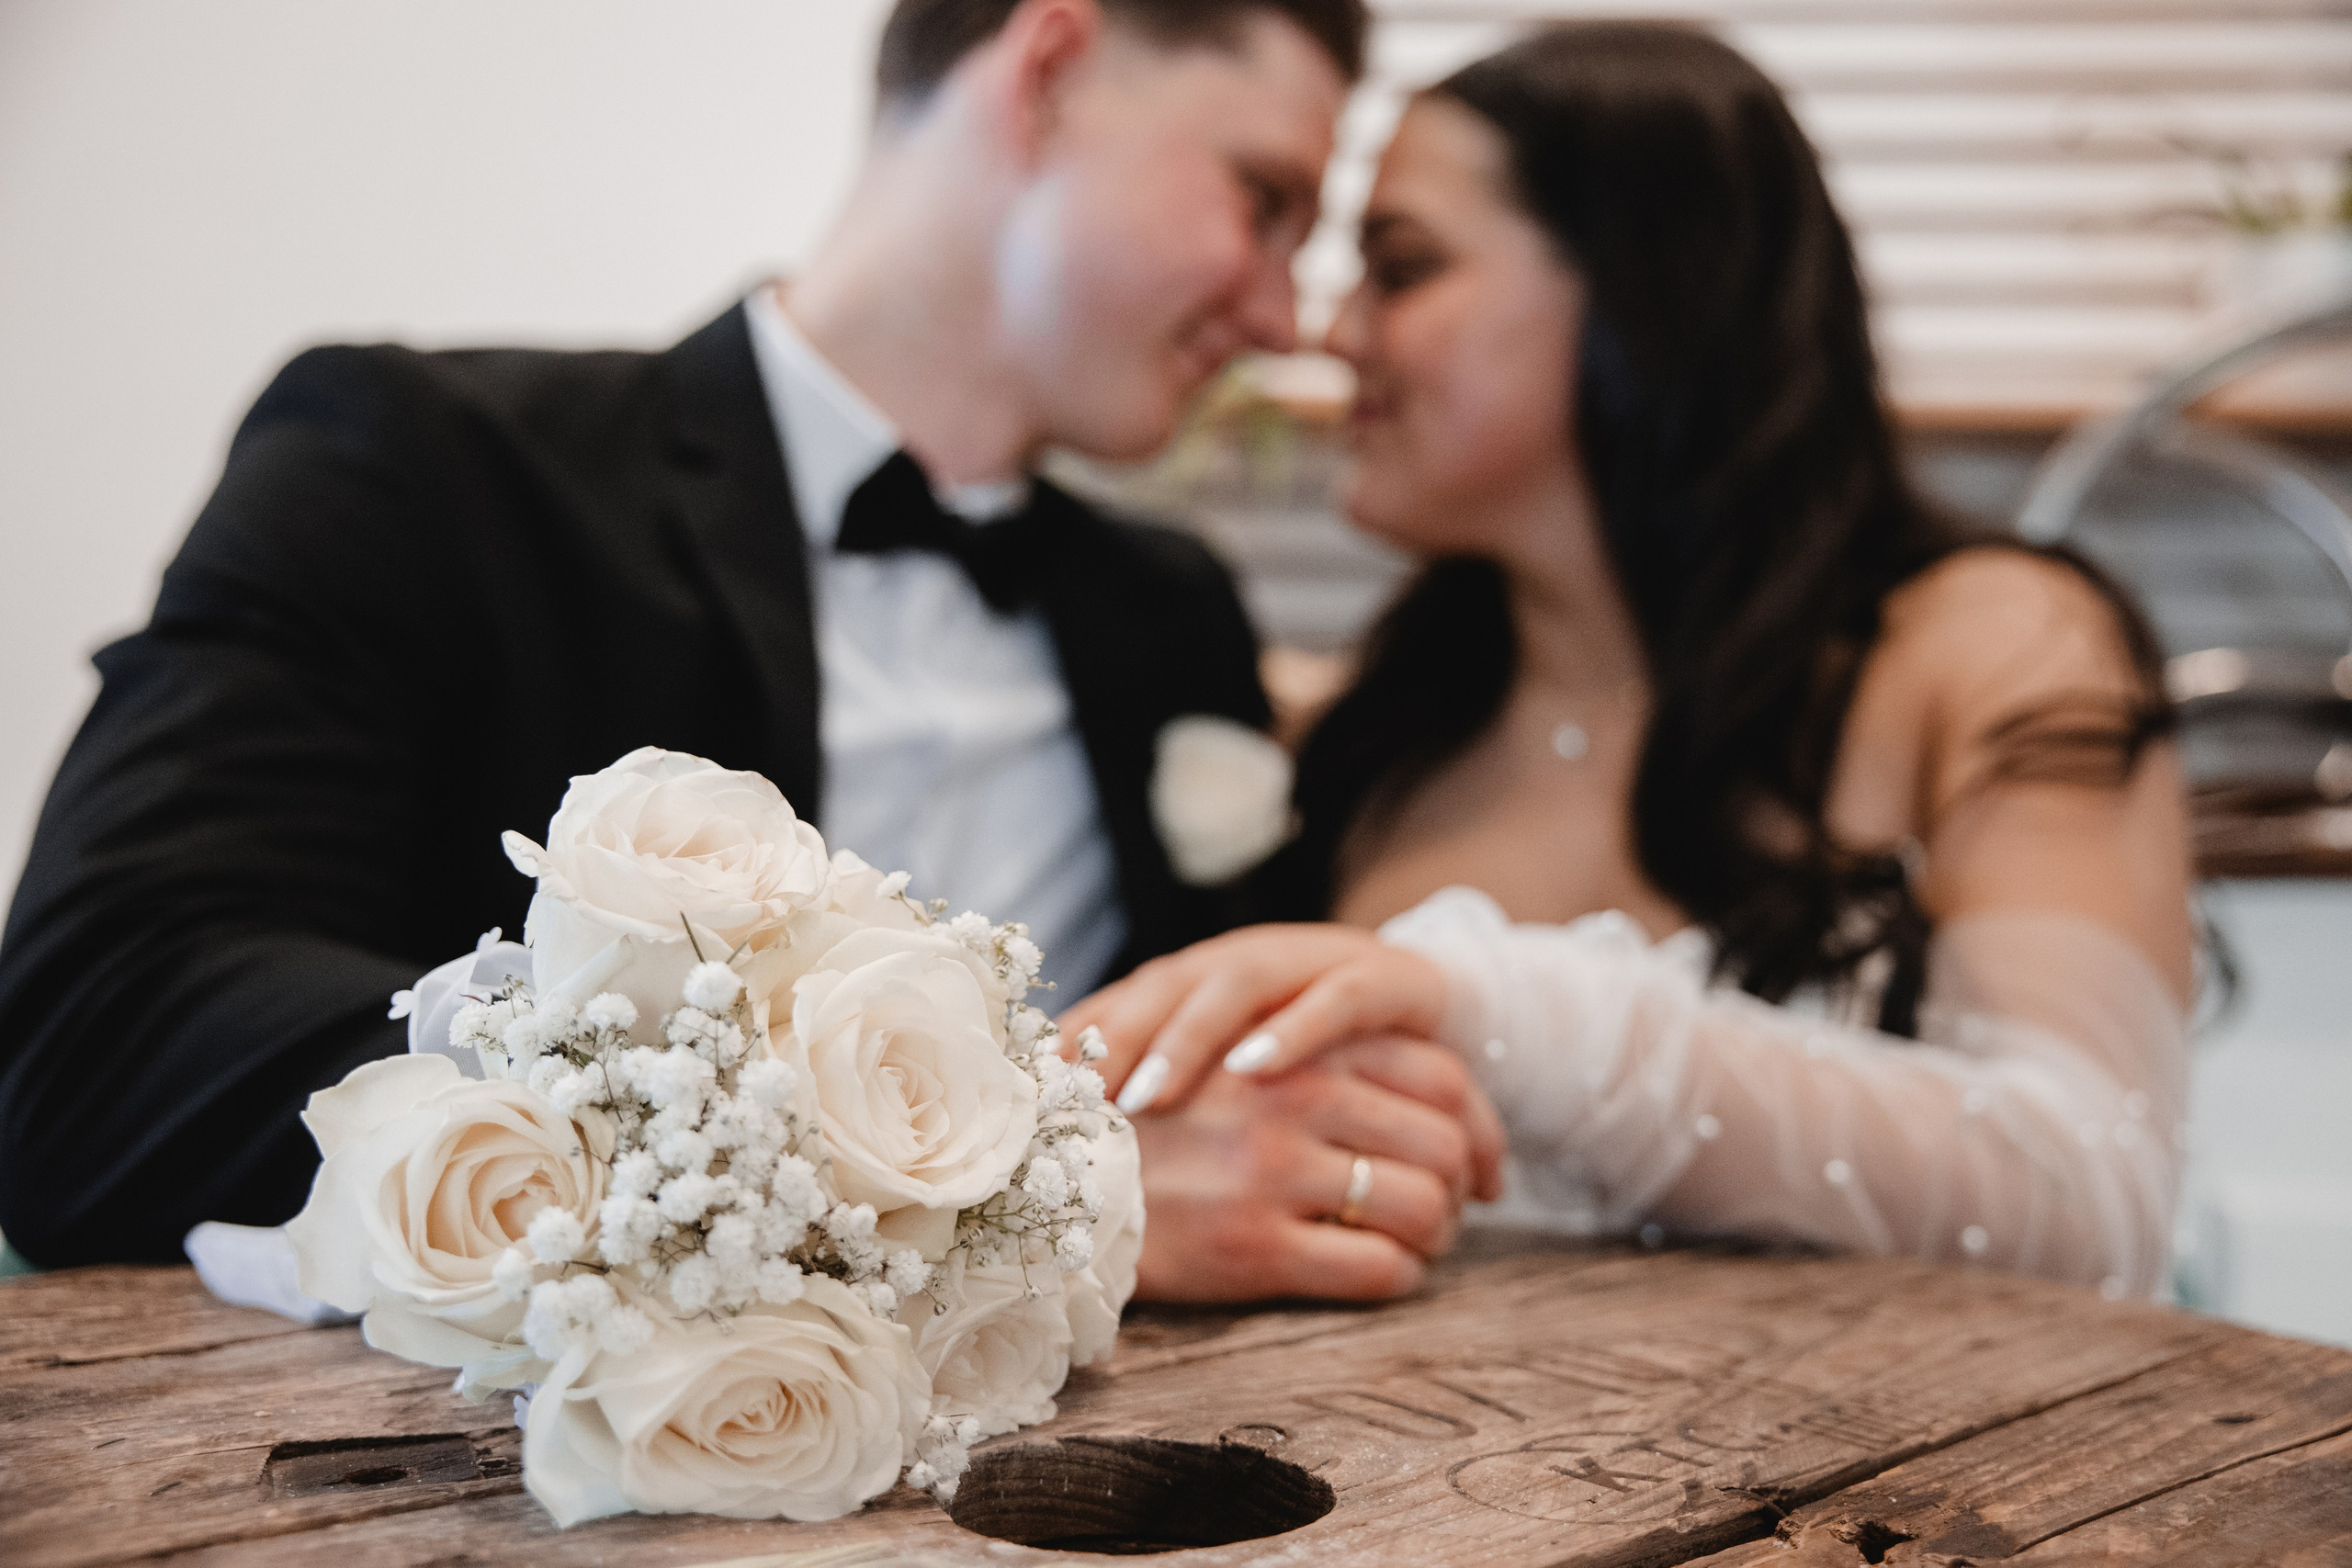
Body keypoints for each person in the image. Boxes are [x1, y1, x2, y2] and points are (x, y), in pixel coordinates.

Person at [0, 0, 1500, 1297]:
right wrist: (1019, 1189)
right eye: (1266, 199)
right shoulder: (419, 474)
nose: (1286, 310)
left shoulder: (1175, 621)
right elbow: (95, 1049)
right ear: (1049, 67)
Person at [1069, 22, 2195, 1298]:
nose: (1333, 334)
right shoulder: (1373, 747)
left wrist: (1527, 1018)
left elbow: (2097, 1202)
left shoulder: (1988, 649)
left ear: (1647, 287)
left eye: (1402, 268)